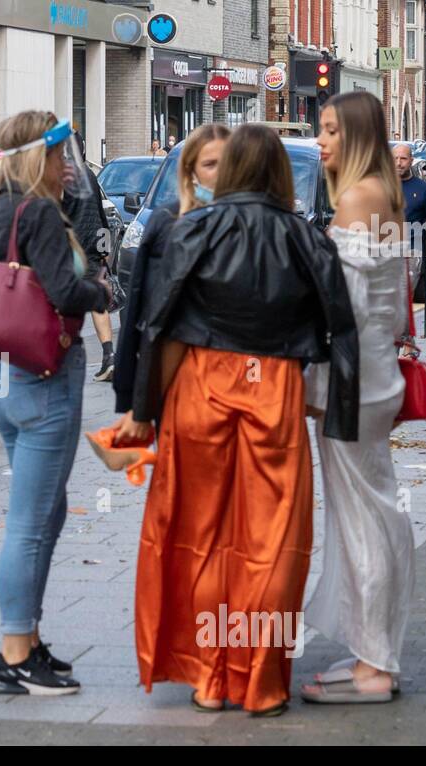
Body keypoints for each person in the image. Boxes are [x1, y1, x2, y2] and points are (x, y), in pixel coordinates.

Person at [130, 124, 360, 716]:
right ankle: (261, 682)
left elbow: (160, 324)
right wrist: (340, 417)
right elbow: (343, 328)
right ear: (281, 172)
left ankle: (209, 677)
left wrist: (143, 411)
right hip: (273, 389)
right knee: (273, 541)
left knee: (200, 534)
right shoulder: (306, 238)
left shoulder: (194, 228)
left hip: (201, 387)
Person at [0, 111, 110, 695]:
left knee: (42, 515)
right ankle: (14, 655)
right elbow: (65, 289)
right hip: (45, 383)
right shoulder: (42, 213)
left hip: (7, 380)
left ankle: (29, 641)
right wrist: (100, 288)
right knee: (29, 525)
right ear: (39, 158)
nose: (65, 163)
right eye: (58, 153)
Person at [301, 91, 415, 705]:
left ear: (357, 137)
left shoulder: (355, 198)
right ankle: (375, 652)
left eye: (329, 131)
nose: (320, 141)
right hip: (373, 376)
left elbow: (341, 308)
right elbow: (393, 304)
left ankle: (375, 664)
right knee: (372, 510)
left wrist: (317, 385)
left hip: (354, 381)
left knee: (362, 518)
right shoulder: (384, 193)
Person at [112, 124, 229, 440]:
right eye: (210, 164)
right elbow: (140, 307)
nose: (220, 174)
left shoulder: (247, 223)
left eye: (228, 164)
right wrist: (131, 395)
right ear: (191, 172)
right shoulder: (167, 220)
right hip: (178, 377)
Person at [66, 133, 117, 382]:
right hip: (92, 247)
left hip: (71, 249)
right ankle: (109, 356)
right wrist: (104, 249)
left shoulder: (62, 176)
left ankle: (65, 359)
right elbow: (100, 211)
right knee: (98, 303)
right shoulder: (88, 173)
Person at [392, 142, 426, 298]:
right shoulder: (380, 187)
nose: (398, 163)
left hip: (411, 255)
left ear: (411, 160)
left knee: (401, 301)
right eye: (395, 158)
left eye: (403, 158)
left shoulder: (424, 189)